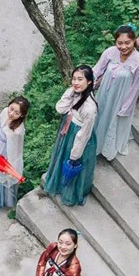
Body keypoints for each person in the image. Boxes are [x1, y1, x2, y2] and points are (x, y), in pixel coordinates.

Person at [44, 65, 98, 206]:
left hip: (77, 136)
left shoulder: (89, 108)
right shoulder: (75, 94)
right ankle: (59, 182)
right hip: (69, 130)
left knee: (72, 163)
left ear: (89, 82)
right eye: (74, 79)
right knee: (62, 157)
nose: (76, 82)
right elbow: (60, 108)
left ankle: (71, 193)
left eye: (80, 79)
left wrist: (75, 155)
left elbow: (83, 135)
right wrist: (70, 92)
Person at [93, 24, 139, 160]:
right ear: (115, 42)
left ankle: (106, 147)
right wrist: (87, 82)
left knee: (112, 119)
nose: (123, 47)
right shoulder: (110, 52)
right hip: (105, 93)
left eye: (127, 43)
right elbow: (98, 69)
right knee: (100, 114)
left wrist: (126, 107)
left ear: (134, 41)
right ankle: (94, 143)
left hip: (120, 97)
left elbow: (135, 88)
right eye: (119, 43)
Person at [0, 96, 30, 212]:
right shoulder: (4, 112)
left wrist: (8, 165)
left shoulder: (17, 131)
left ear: (22, 115)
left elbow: (15, 150)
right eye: (11, 109)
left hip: (5, 156)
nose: (11, 113)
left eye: (16, 113)